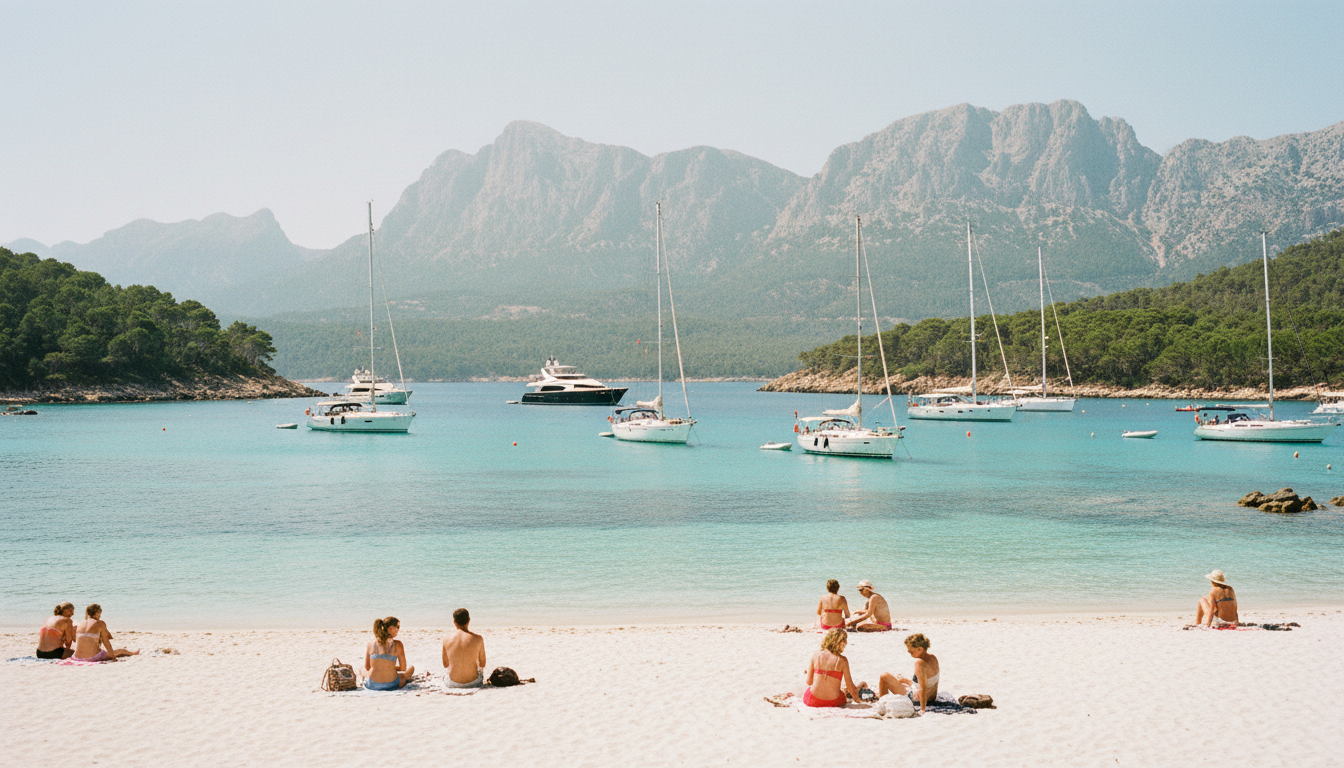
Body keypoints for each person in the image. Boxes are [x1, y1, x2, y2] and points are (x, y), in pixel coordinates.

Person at [877, 633, 940, 713]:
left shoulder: (920, 664)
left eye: (911, 651)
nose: (909, 652)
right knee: (902, 680)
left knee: (884, 676)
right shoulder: (933, 658)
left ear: (920, 649)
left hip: (916, 699)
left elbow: (923, 688)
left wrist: (922, 709)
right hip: (931, 697)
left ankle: (882, 704)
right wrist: (904, 680)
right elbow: (928, 683)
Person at [803, 628, 862, 707]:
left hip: (813, 700)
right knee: (843, 692)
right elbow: (850, 686)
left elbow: (809, 682)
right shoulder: (842, 660)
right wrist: (857, 700)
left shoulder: (816, 655)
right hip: (834, 701)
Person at [71, 604, 138, 662]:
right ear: (97, 613)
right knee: (121, 651)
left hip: (77, 656)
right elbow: (106, 643)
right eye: (100, 613)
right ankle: (133, 653)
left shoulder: (80, 623)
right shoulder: (100, 623)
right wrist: (113, 656)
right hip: (92, 657)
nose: (100, 616)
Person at [364, 616, 415, 690]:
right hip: (391, 684)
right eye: (397, 627)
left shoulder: (370, 644)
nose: (398, 630)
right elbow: (403, 668)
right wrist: (388, 667)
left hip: (371, 684)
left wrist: (382, 666)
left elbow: (367, 667)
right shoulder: (398, 644)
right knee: (411, 668)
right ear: (391, 628)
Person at [442, 608, 487, 688]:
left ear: (454, 622)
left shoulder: (446, 639)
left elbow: (445, 664)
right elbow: (482, 663)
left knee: (446, 673)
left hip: (452, 683)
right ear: (469, 620)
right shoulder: (478, 638)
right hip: (474, 682)